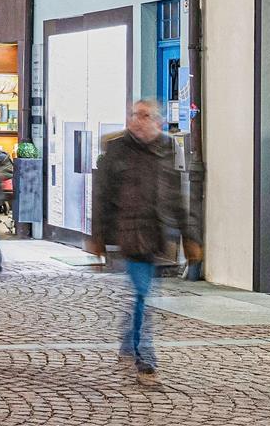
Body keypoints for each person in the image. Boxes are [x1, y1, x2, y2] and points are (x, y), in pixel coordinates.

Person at [90, 99, 200, 388]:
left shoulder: (167, 148)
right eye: (133, 115)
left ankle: (128, 342)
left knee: (142, 295)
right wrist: (98, 236)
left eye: (144, 115)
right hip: (130, 234)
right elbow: (101, 196)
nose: (137, 120)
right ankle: (146, 359)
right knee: (143, 296)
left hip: (158, 235)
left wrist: (189, 236)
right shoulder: (117, 150)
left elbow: (177, 196)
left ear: (158, 122)